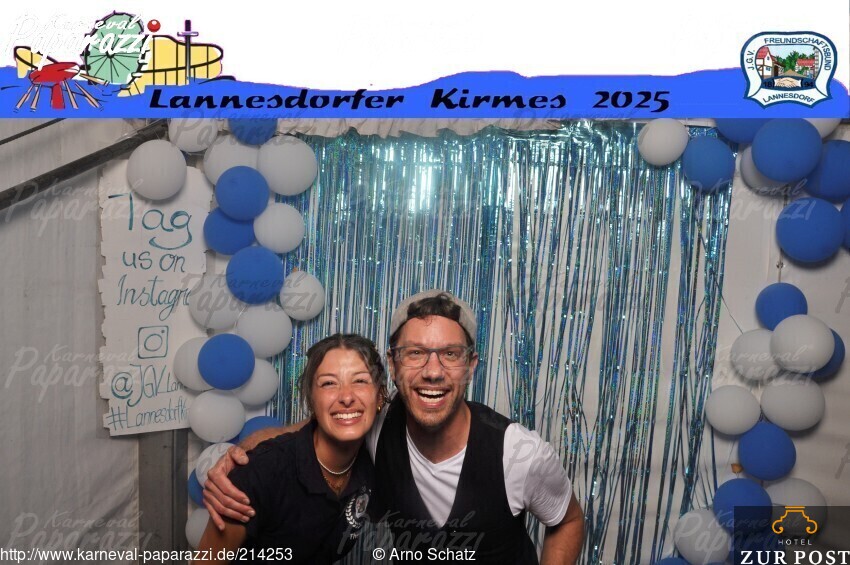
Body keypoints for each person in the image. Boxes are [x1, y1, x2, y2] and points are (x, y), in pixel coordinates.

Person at [205, 291, 585, 564]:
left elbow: (568, 520)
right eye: (415, 353)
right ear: (393, 365)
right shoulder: (375, 426)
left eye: (450, 354)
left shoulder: (519, 453)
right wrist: (238, 462)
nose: (433, 371)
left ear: (470, 367)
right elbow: (310, 431)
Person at [193, 334, 387, 564]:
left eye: (360, 381)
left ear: (380, 396)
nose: (346, 397)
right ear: (312, 400)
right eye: (329, 383)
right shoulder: (261, 472)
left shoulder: (375, 457)